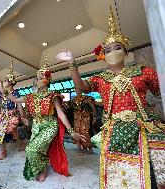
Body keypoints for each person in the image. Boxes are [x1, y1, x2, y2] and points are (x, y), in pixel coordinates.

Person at [56, 6, 165, 189]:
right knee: (118, 171)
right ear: (103, 56)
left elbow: (160, 90)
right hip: (115, 130)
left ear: (126, 51)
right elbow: (81, 88)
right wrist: (72, 64)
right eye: (108, 50)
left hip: (143, 127)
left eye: (117, 48)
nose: (113, 52)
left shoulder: (143, 71)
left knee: (152, 170)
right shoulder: (101, 78)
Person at [4, 56, 86, 182]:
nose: (38, 79)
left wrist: (71, 131)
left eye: (41, 77)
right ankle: (43, 164)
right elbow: (14, 99)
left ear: (48, 79)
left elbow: (60, 113)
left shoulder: (53, 95)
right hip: (36, 126)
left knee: (32, 149)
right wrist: (6, 90)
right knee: (37, 148)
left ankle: (42, 170)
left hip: (49, 125)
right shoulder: (31, 96)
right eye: (37, 77)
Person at [68, 88, 96, 153]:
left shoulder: (87, 98)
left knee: (85, 131)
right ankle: (82, 147)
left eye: (79, 89)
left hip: (85, 117)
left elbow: (93, 107)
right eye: (76, 89)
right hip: (77, 117)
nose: (77, 91)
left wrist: (94, 117)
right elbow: (68, 108)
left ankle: (90, 147)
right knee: (77, 131)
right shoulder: (73, 99)